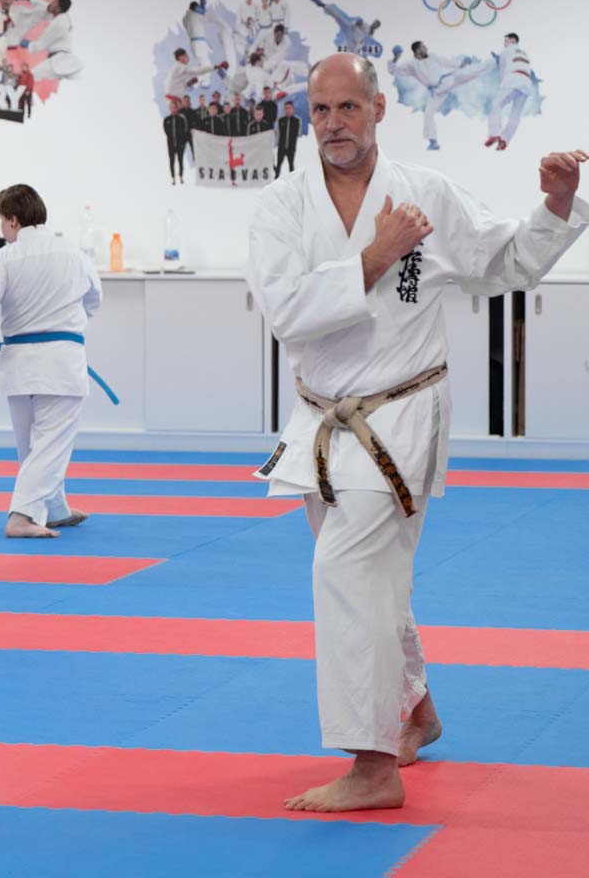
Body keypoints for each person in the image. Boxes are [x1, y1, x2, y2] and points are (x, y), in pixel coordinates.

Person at [248, 53, 586, 813]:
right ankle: (415, 712)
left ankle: (371, 766)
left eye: (348, 107)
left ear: (378, 109)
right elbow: (287, 314)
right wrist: (376, 255)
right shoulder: (280, 205)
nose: (334, 124)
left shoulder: (426, 193)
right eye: (321, 110)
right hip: (321, 419)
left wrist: (556, 204)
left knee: (346, 573)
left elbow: (506, 262)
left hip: (399, 414)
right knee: (377, 583)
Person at [0, 184, 101, 538]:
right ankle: (21, 515)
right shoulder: (73, 253)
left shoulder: (5, 258)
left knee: (32, 446)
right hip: (61, 361)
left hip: (20, 365)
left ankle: (54, 509)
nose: (1, 229)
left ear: (13, 220)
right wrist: (66, 321)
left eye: (1, 221)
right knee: (50, 444)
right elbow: (94, 299)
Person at [388, 41, 486, 152]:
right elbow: (393, 71)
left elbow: (446, 61)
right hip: (436, 92)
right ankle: (433, 142)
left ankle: (491, 66)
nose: (426, 48)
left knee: (469, 74)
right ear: (418, 50)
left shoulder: (432, 56)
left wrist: (460, 64)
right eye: (423, 47)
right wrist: (395, 58)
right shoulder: (411, 65)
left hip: (447, 81)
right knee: (428, 114)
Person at [485, 33, 536, 151]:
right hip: (526, 83)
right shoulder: (525, 53)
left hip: (513, 79)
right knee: (515, 114)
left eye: (506, 40)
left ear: (512, 40)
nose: (504, 43)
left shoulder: (506, 50)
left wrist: (503, 84)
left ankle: (494, 133)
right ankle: (505, 140)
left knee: (495, 105)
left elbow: (502, 70)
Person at [163, 99, 191, 185]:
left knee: (180, 160)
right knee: (171, 160)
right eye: (171, 107)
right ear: (169, 108)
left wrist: (182, 142)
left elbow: (185, 131)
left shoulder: (181, 119)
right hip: (171, 144)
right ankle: (173, 177)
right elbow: (166, 132)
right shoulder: (166, 120)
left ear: (177, 108)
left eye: (175, 107)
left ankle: (181, 176)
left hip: (180, 144)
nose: (173, 109)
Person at [275, 101, 301, 177]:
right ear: (284, 110)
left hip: (291, 147)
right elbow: (277, 132)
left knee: (291, 165)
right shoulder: (280, 120)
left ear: (293, 109)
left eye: (289, 108)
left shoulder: (297, 121)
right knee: (279, 164)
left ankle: (292, 181)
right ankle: (276, 179)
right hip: (281, 146)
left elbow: (298, 133)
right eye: (286, 108)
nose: (288, 110)